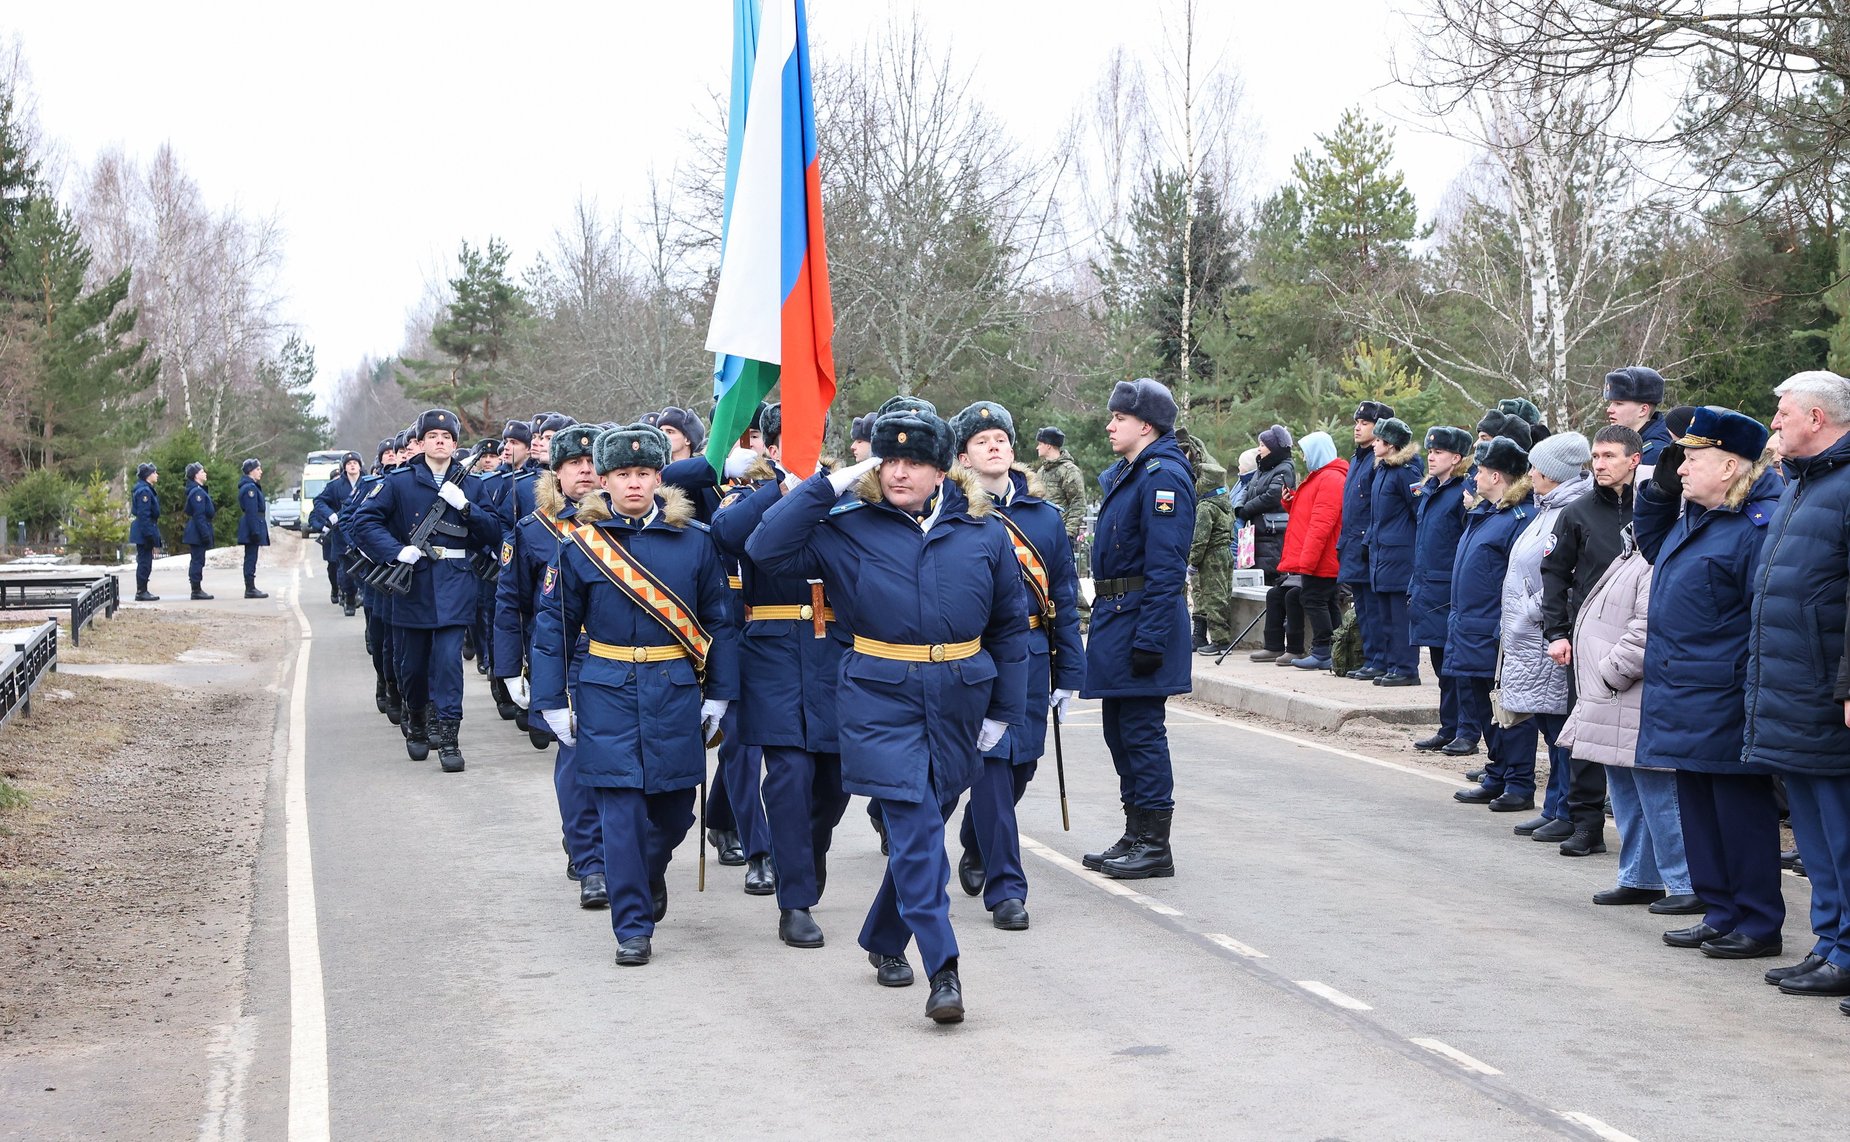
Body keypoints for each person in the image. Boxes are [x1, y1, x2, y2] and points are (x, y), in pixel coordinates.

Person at [747, 406, 1028, 1024]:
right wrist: (829, 484)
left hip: (960, 698)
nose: (900, 472)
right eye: (889, 459)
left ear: (943, 469)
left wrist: (1004, 709)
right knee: (918, 834)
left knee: (925, 825)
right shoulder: (848, 526)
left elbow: (1009, 626)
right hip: (879, 698)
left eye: (916, 462)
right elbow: (764, 547)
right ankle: (944, 969)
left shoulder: (983, 531)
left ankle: (881, 935)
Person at [529, 423, 740, 968]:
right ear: (605, 478)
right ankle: (632, 926)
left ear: (658, 477)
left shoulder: (694, 541)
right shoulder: (581, 544)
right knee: (619, 812)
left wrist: (719, 694)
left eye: (644, 473)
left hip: (674, 691)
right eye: (623, 474)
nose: (633, 484)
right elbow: (553, 626)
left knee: (672, 812)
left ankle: (646, 876)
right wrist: (551, 700)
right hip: (606, 690)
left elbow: (720, 622)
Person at [1633, 405, 1786, 961]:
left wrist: (1750, 692)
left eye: (1693, 459)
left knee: (1740, 813)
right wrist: (1655, 491)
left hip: (1724, 692)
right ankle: (1721, 911)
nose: (1681, 469)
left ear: (1729, 467)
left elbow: (1762, 618)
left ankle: (1759, 920)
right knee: (1698, 809)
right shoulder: (1699, 518)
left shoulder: (1755, 525)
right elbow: (1654, 549)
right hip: (1681, 688)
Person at [710, 403, 853, 948]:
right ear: (768, 447)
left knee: (833, 783)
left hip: (835, 653)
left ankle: (807, 862)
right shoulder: (748, 498)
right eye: (787, 441)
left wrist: (821, 489)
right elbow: (729, 536)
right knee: (789, 778)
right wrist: (785, 488)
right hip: (770, 657)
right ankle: (794, 900)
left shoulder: (843, 496)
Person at [945, 401, 1084, 931]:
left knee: (1021, 763)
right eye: (982, 440)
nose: (995, 446)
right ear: (963, 456)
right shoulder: (955, 514)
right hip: (976, 657)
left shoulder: (1044, 519)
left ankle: (976, 841)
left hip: (1030, 655)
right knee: (994, 767)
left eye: (1001, 437)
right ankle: (1007, 891)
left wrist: (1070, 673)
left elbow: (1064, 600)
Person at [1747, 371, 1850, 999]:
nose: (1775, 422)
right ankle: (1832, 943)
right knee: (1815, 834)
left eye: (1783, 412)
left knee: (1841, 831)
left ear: (1817, 417)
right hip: (1792, 684)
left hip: (1826, 687)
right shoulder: (1801, 485)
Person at [1081, 378, 1194, 880]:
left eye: (1119, 419)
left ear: (1145, 425)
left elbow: (1167, 567)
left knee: (1142, 733)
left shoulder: (1161, 476)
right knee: (1120, 732)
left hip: (1141, 620)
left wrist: (1151, 639)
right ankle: (1135, 832)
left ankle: (1155, 844)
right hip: (1118, 617)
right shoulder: (1133, 473)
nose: (1110, 425)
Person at [1556, 520, 1700, 915]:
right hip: (1610, 695)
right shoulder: (1632, 552)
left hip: (1630, 692)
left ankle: (1684, 881)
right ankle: (1640, 876)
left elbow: (1647, 627)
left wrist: (1610, 670)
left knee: (1658, 793)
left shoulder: (1654, 556)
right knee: (1625, 792)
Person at [351, 408, 504, 773]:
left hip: (455, 581)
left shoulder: (472, 485)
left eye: (447, 437)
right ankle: (417, 718)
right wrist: (395, 550)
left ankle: (450, 737)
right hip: (414, 584)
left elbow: (494, 532)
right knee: (413, 667)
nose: (440, 442)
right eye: (433, 437)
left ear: (455, 444)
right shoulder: (399, 482)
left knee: (449, 663)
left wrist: (465, 507)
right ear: (420, 443)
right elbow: (363, 522)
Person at [494, 424, 606, 907]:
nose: (584, 471)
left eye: (592, 463)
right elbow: (509, 604)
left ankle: (620, 850)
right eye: (572, 464)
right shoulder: (534, 530)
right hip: (564, 660)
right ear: (555, 473)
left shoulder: (625, 523)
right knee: (577, 758)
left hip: (621, 657)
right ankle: (590, 861)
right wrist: (509, 669)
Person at [1540, 426, 1642, 856]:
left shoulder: (1658, 508)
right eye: (1595, 456)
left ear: (1634, 460)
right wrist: (1556, 633)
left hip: (1641, 636)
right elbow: (1555, 576)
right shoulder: (1577, 513)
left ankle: (1643, 834)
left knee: (1636, 734)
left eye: (1609, 456)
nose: (1599, 464)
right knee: (1584, 731)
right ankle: (1585, 823)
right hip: (1588, 640)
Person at [1498, 432, 1593, 841]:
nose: (1531, 472)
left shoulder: (1569, 509)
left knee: (1560, 729)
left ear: (1555, 473)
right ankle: (1555, 805)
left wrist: (1532, 610)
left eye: (1538, 466)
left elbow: (1565, 575)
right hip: (1529, 637)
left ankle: (1564, 809)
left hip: (1546, 635)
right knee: (1549, 727)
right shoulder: (1546, 507)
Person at [1449, 438, 1538, 810]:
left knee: (1510, 708)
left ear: (1496, 475)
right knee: (1485, 707)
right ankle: (1497, 773)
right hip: (1470, 625)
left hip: (1495, 629)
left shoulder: (1518, 519)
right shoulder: (1487, 513)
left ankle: (1518, 783)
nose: (1474, 476)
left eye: (1480, 471)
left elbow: (1520, 580)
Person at [1409, 427, 1473, 751]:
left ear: (1457, 458)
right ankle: (1449, 726)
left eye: (1440, 452)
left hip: (1449, 591)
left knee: (1456, 666)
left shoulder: (1461, 493)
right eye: (1430, 451)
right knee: (1439, 663)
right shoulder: (1431, 489)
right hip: (1427, 589)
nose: (1431, 456)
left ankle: (1466, 731)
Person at [1275, 432, 1346, 670]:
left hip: (1321, 556)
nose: (1304, 458)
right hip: (1321, 555)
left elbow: (1321, 524)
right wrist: (1290, 501)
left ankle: (1323, 650)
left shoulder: (1330, 479)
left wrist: (1307, 561)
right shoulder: (1322, 477)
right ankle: (1336, 649)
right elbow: (1308, 512)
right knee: (1326, 601)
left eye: (1306, 453)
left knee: (1313, 599)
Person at [1362, 417, 1425, 686]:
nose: (1374, 444)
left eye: (1378, 440)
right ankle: (1391, 663)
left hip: (1400, 554)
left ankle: (1406, 667)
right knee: (1385, 613)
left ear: (1390, 444)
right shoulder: (1382, 470)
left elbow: (1417, 511)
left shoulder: (1406, 472)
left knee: (1399, 615)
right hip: (1381, 552)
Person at [1338, 402, 1392, 679]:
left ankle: (1381, 660)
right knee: (1362, 606)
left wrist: (1366, 540)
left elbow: (1377, 508)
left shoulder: (1378, 460)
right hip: (1353, 543)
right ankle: (1371, 658)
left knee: (1375, 607)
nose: (1358, 427)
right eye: (1356, 422)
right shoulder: (1358, 458)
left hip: (1369, 544)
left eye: (1365, 423)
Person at [1181, 433, 1235, 655]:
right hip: (1223, 552)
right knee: (1220, 594)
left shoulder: (1205, 506)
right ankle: (1214, 638)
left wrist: (1193, 561)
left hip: (1209, 555)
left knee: (1212, 596)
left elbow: (1201, 538)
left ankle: (1220, 641)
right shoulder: (1222, 503)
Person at [311, 452, 364, 614]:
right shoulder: (335, 486)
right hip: (342, 535)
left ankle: (362, 596)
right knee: (346, 572)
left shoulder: (368, 483)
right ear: (344, 467)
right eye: (349, 463)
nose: (352, 466)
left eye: (355, 463)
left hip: (364, 533)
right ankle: (349, 599)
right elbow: (319, 501)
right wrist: (331, 515)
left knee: (364, 571)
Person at [1603, 366, 1676, 466]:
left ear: (1643, 410)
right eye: (1611, 403)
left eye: (1618, 403)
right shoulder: (1633, 444)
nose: (1609, 410)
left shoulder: (1654, 455)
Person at [1033, 426, 1088, 549]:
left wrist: (1068, 534)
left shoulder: (1069, 471)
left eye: (1040, 443)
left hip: (1061, 537)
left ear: (1048, 445)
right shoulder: (1041, 471)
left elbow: (1078, 504)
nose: (1037, 447)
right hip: (1043, 535)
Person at [236, 459, 270, 600]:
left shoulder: (251, 486)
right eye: (258, 469)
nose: (260, 472)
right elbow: (251, 511)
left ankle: (251, 587)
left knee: (252, 556)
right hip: (252, 525)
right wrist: (255, 531)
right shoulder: (250, 488)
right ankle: (250, 588)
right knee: (250, 557)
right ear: (251, 471)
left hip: (255, 523)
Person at [181, 462, 216, 601]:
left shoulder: (198, 490)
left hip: (198, 530)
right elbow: (199, 515)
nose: (205, 473)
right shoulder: (197, 493)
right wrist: (205, 535)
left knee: (198, 560)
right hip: (197, 531)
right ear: (196, 475)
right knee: (197, 560)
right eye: (202, 471)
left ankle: (197, 588)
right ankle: (196, 590)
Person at [130, 462, 162, 601]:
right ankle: (141, 591)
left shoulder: (146, 489)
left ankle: (143, 589)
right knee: (144, 562)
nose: (157, 475)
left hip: (146, 529)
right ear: (148, 475)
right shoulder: (144, 491)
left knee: (146, 561)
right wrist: (150, 536)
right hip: (144, 531)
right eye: (154, 473)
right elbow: (144, 515)